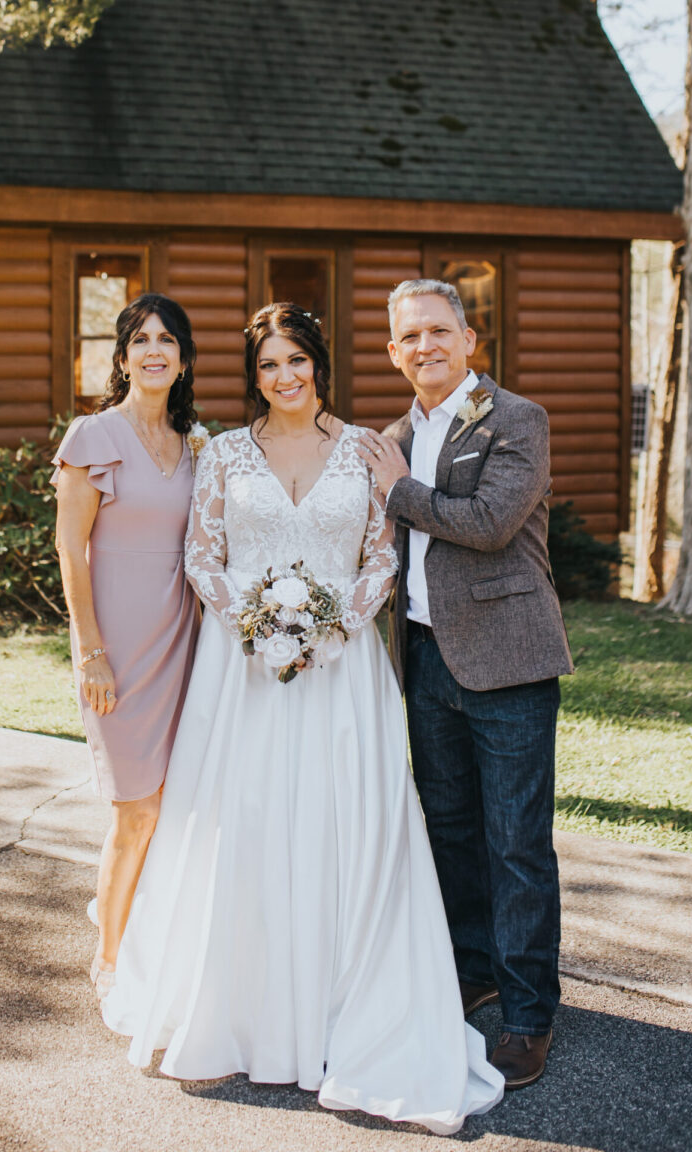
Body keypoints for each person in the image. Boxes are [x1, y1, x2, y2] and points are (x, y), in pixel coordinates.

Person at [100, 302, 504, 1135]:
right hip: (240, 672)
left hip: (341, 669)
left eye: (296, 361)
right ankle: (241, 1010)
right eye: (268, 365)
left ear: (319, 363)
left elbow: (383, 554)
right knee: (242, 824)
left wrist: (330, 621)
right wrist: (256, 620)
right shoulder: (223, 455)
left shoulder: (366, 450)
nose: (284, 377)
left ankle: (338, 1011)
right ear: (253, 377)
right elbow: (200, 556)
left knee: (336, 824)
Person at [358, 278, 574, 1091]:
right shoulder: (393, 436)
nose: (426, 347)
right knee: (449, 832)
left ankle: (528, 1016)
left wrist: (399, 490)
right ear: (393, 351)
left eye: (439, 332)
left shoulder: (517, 420)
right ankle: (474, 969)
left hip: (509, 661)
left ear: (469, 339)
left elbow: (488, 524)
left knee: (517, 843)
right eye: (409, 337)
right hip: (424, 659)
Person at [52, 293, 204, 995]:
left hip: (184, 641)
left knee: (171, 801)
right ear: (122, 358)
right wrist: (90, 650)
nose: (153, 350)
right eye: (140, 339)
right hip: (117, 645)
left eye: (166, 339)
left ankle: (144, 931)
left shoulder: (197, 445)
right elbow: (70, 549)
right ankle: (109, 958)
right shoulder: (93, 436)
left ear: (182, 358)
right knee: (134, 806)